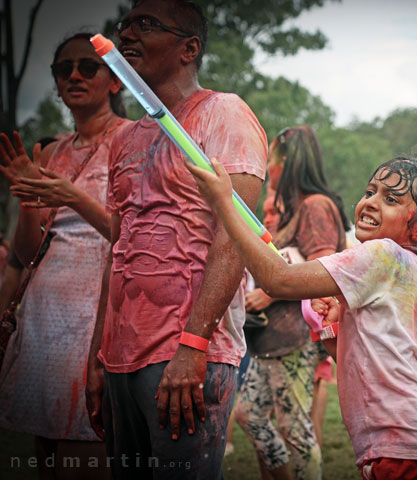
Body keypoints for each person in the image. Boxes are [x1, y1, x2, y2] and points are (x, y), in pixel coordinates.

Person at [186, 155, 417, 479]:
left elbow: (277, 280)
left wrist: (225, 205)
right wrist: (332, 327)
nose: (370, 203)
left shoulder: (384, 254)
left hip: (410, 452)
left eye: (390, 199)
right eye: (370, 191)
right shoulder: (402, 266)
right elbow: (350, 362)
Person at [83, 1, 267, 478]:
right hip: (121, 355)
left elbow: (235, 238)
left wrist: (193, 346)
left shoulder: (225, 114)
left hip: (188, 356)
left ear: (189, 49)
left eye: (147, 25)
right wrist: (98, 360)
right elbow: (117, 250)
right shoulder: (125, 138)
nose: (128, 34)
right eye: (125, 24)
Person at [0, 31, 129, 479]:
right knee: (48, 454)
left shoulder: (131, 140)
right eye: (63, 69)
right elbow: (27, 252)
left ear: (114, 81)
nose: (74, 75)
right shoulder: (53, 150)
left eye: (88, 67)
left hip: (93, 316)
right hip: (44, 315)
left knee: (85, 449)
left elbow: (131, 234)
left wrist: (72, 197)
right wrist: (28, 200)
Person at [234, 126, 349, 480]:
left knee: (297, 434)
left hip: (295, 338)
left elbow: (324, 273)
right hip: (270, 339)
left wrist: (269, 292)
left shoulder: (316, 207)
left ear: (289, 161)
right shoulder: (294, 210)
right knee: (249, 415)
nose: (268, 167)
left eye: (272, 159)